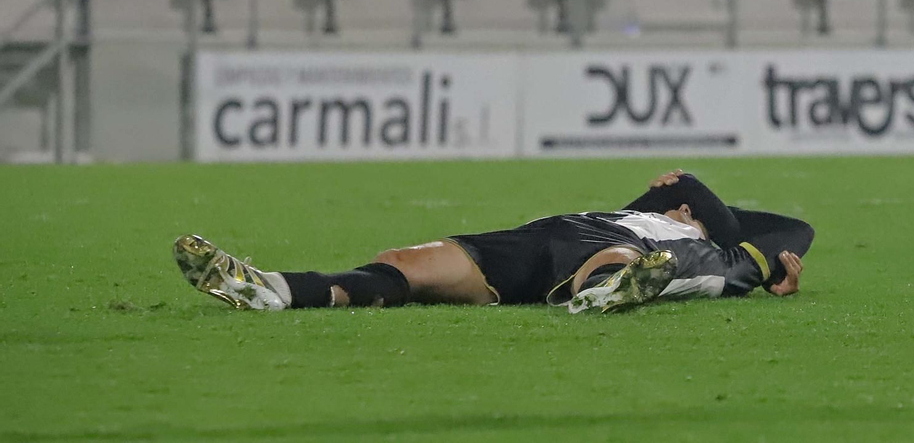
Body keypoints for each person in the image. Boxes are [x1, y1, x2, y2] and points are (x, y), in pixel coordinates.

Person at [175, 170, 812, 314]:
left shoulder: (712, 246)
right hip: (535, 241)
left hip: (620, 249)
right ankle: (270, 291)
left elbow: (795, 230)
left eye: (679, 201)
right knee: (404, 265)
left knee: (628, 260)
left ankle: (606, 290)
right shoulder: (636, 210)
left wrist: (696, 192)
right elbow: (643, 199)